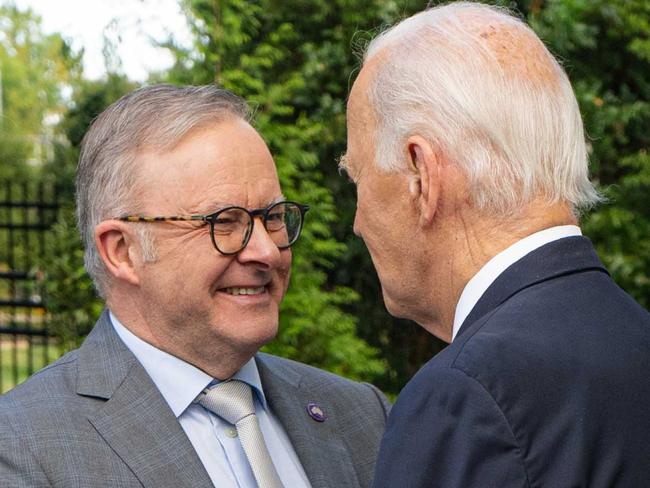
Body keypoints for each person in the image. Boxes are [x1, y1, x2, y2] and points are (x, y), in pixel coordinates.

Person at [0, 84, 389, 488]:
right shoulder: (23, 449)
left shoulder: (359, 416)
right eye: (224, 221)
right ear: (122, 252)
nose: (266, 252)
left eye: (273, 216)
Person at [341, 2, 650, 487]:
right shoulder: (634, 340)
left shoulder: (466, 397)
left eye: (358, 177)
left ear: (420, 175)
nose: (357, 222)